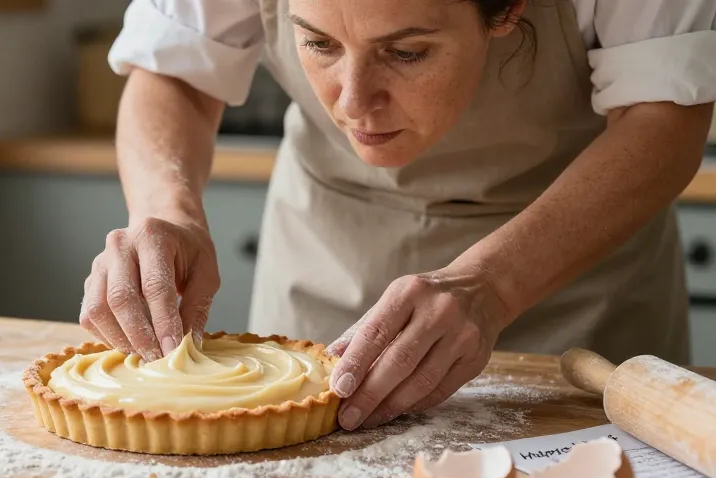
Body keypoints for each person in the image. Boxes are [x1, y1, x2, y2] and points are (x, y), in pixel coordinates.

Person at [78, 0, 716, 431]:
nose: (355, 102)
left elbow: (664, 120)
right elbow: (176, 74)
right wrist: (171, 211)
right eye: (319, 42)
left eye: (407, 51)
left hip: (577, 272)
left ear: (507, 11)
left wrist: (492, 284)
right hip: (326, 250)